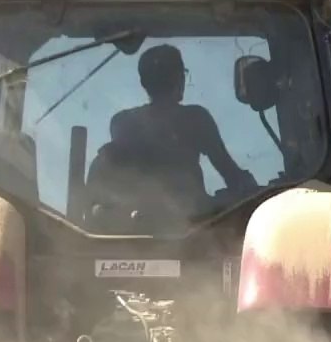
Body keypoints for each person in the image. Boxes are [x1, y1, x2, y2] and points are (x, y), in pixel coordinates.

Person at [96, 44, 256, 214]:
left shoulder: (123, 122)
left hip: (138, 224)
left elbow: (108, 182)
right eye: (182, 74)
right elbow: (230, 172)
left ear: (144, 83)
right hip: (197, 223)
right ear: (180, 78)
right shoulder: (195, 118)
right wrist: (254, 190)